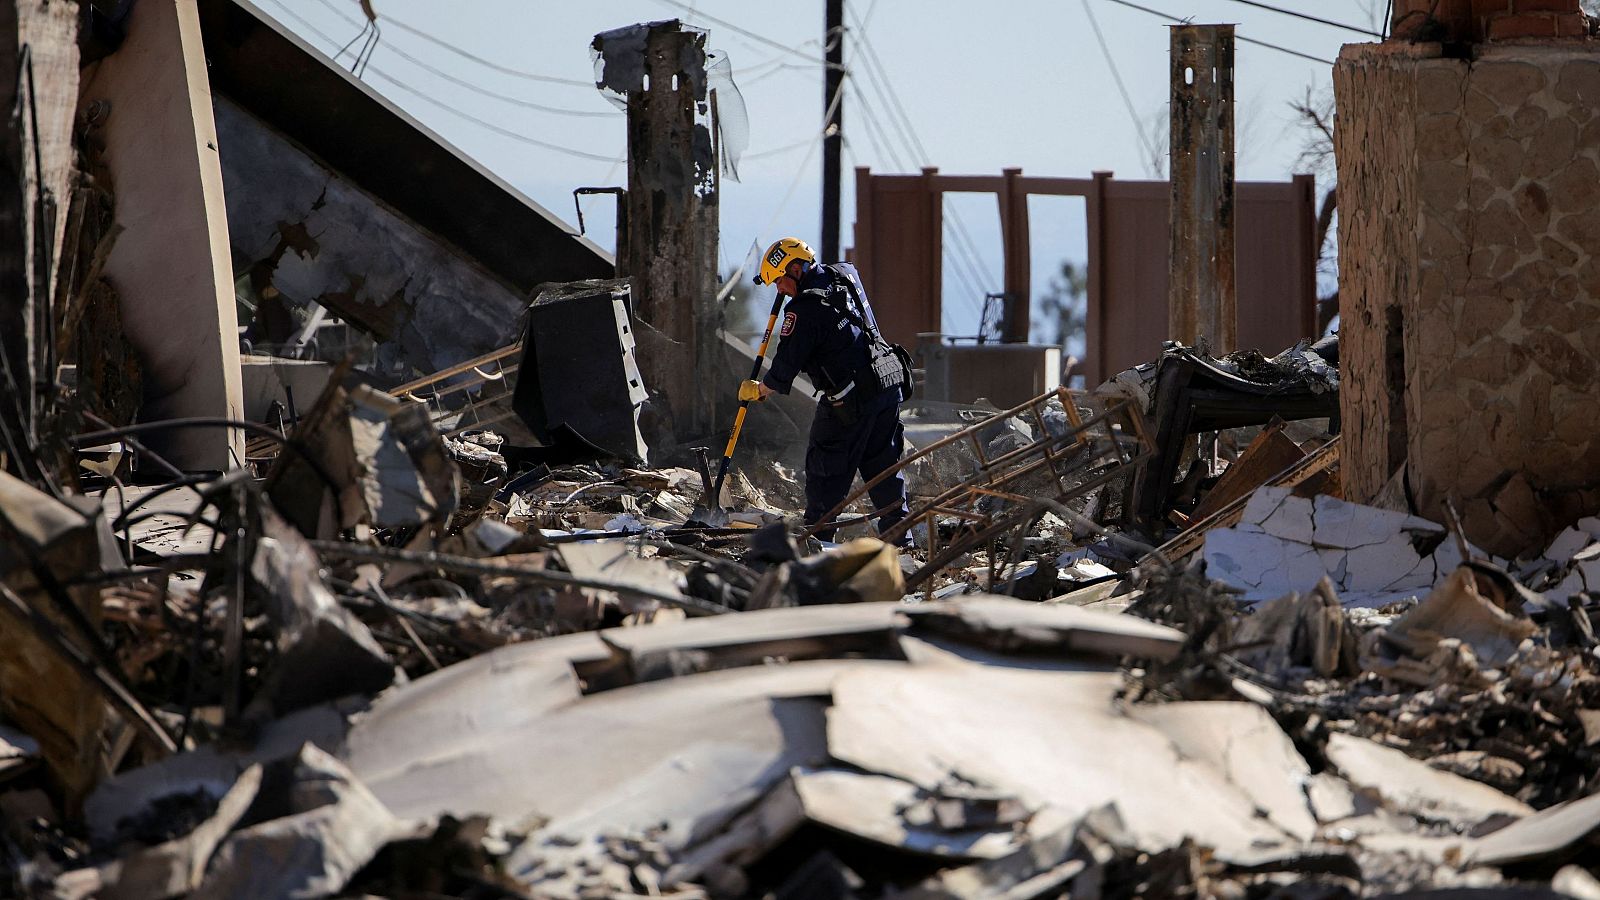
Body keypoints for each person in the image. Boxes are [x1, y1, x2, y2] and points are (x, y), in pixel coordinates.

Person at [740, 237, 911, 546]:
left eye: (779, 280)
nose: (778, 289)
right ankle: (900, 540)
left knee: (825, 468)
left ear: (795, 268)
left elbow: (785, 366)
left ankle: (819, 542)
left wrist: (759, 389)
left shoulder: (803, 310)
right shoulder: (844, 275)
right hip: (886, 384)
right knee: (884, 465)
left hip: (849, 399)